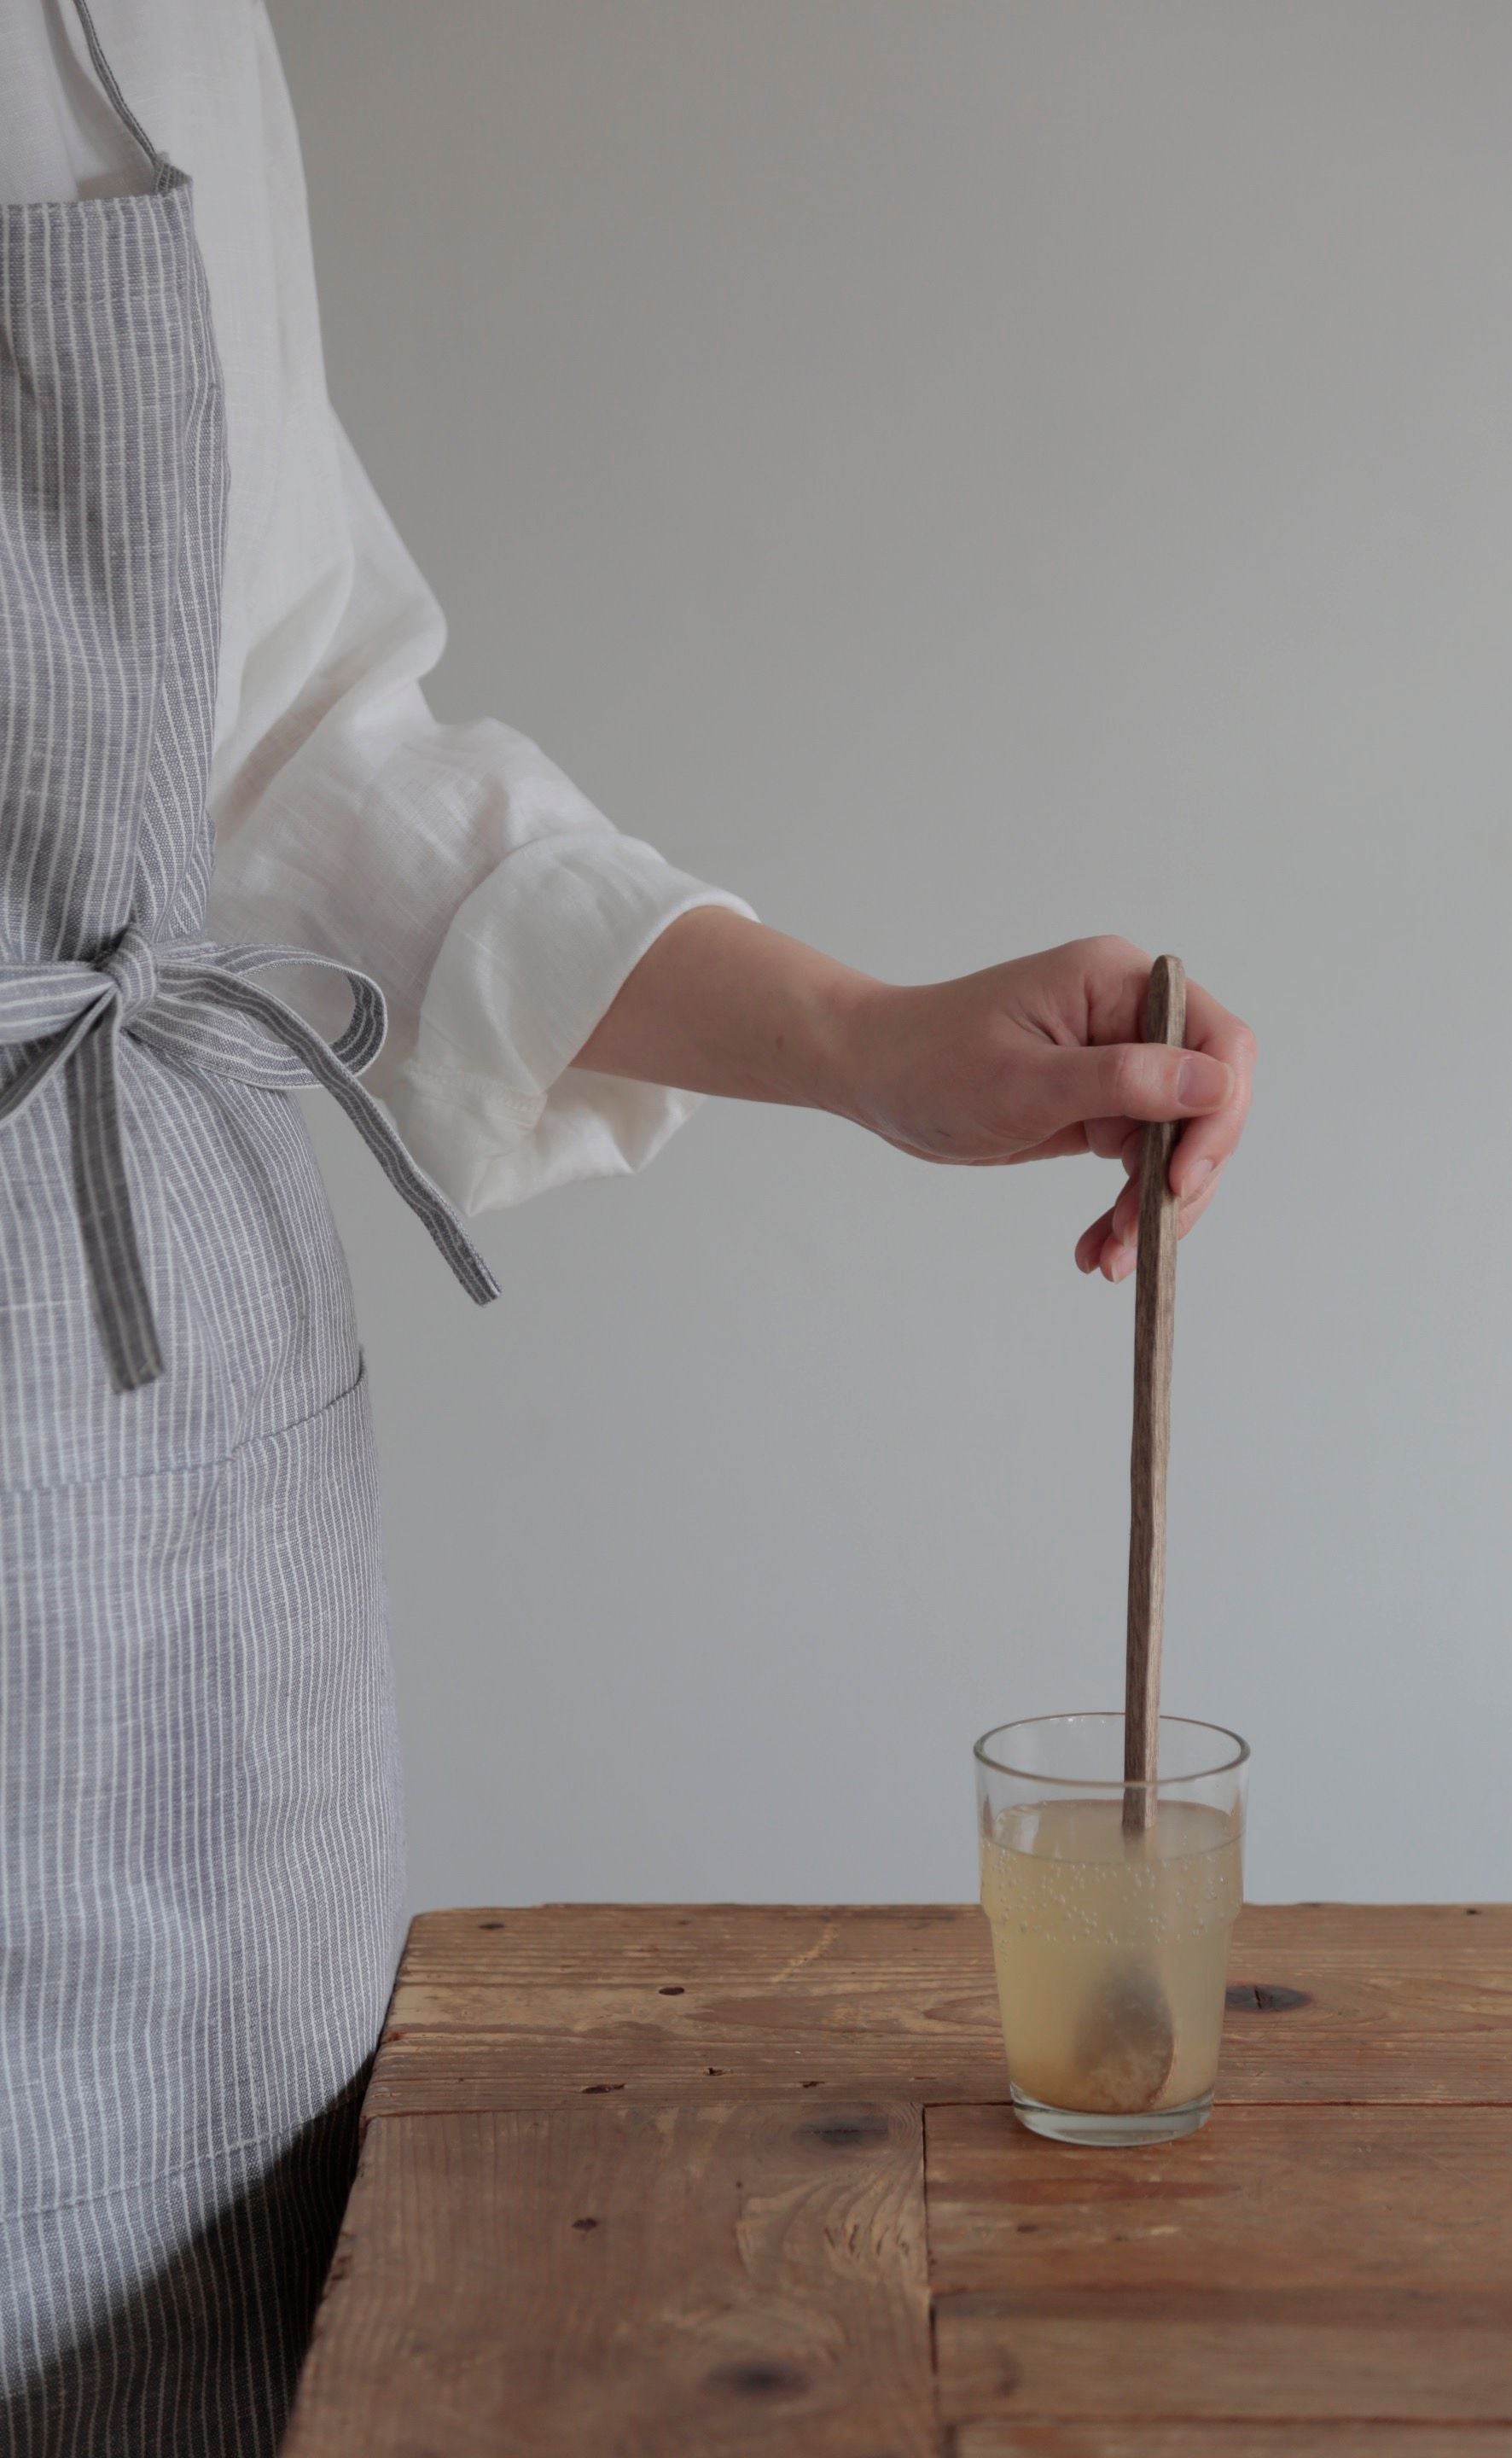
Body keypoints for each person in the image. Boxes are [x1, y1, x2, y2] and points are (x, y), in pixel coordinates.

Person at [0, 5, 1256, 2452]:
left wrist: (876, 1040)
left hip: (169, 1434)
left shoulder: (144, 25)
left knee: (227, 2320)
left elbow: (285, 740)